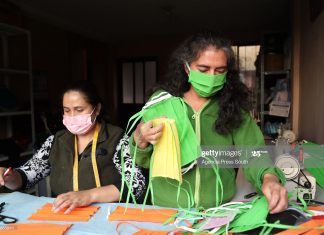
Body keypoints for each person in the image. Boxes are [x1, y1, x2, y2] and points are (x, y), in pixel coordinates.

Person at [131, 31, 288, 214]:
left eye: (220, 71)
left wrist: (269, 177)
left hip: (218, 211)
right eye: (204, 70)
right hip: (166, 209)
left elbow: (253, 153)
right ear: (187, 67)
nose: (212, 76)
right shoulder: (162, 103)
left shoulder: (233, 108)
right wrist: (139, 141)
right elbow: (141, 160)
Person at [0, 80, 146, 214]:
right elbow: (25, 178)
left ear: (97, 109)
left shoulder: (117, 138)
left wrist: (88, 195)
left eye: (79, 110)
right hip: (64, 215)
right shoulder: (55, 141)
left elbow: (136, 185)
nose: (72, 116)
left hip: (107, 215)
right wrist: (8, 176)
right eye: (67, 110)